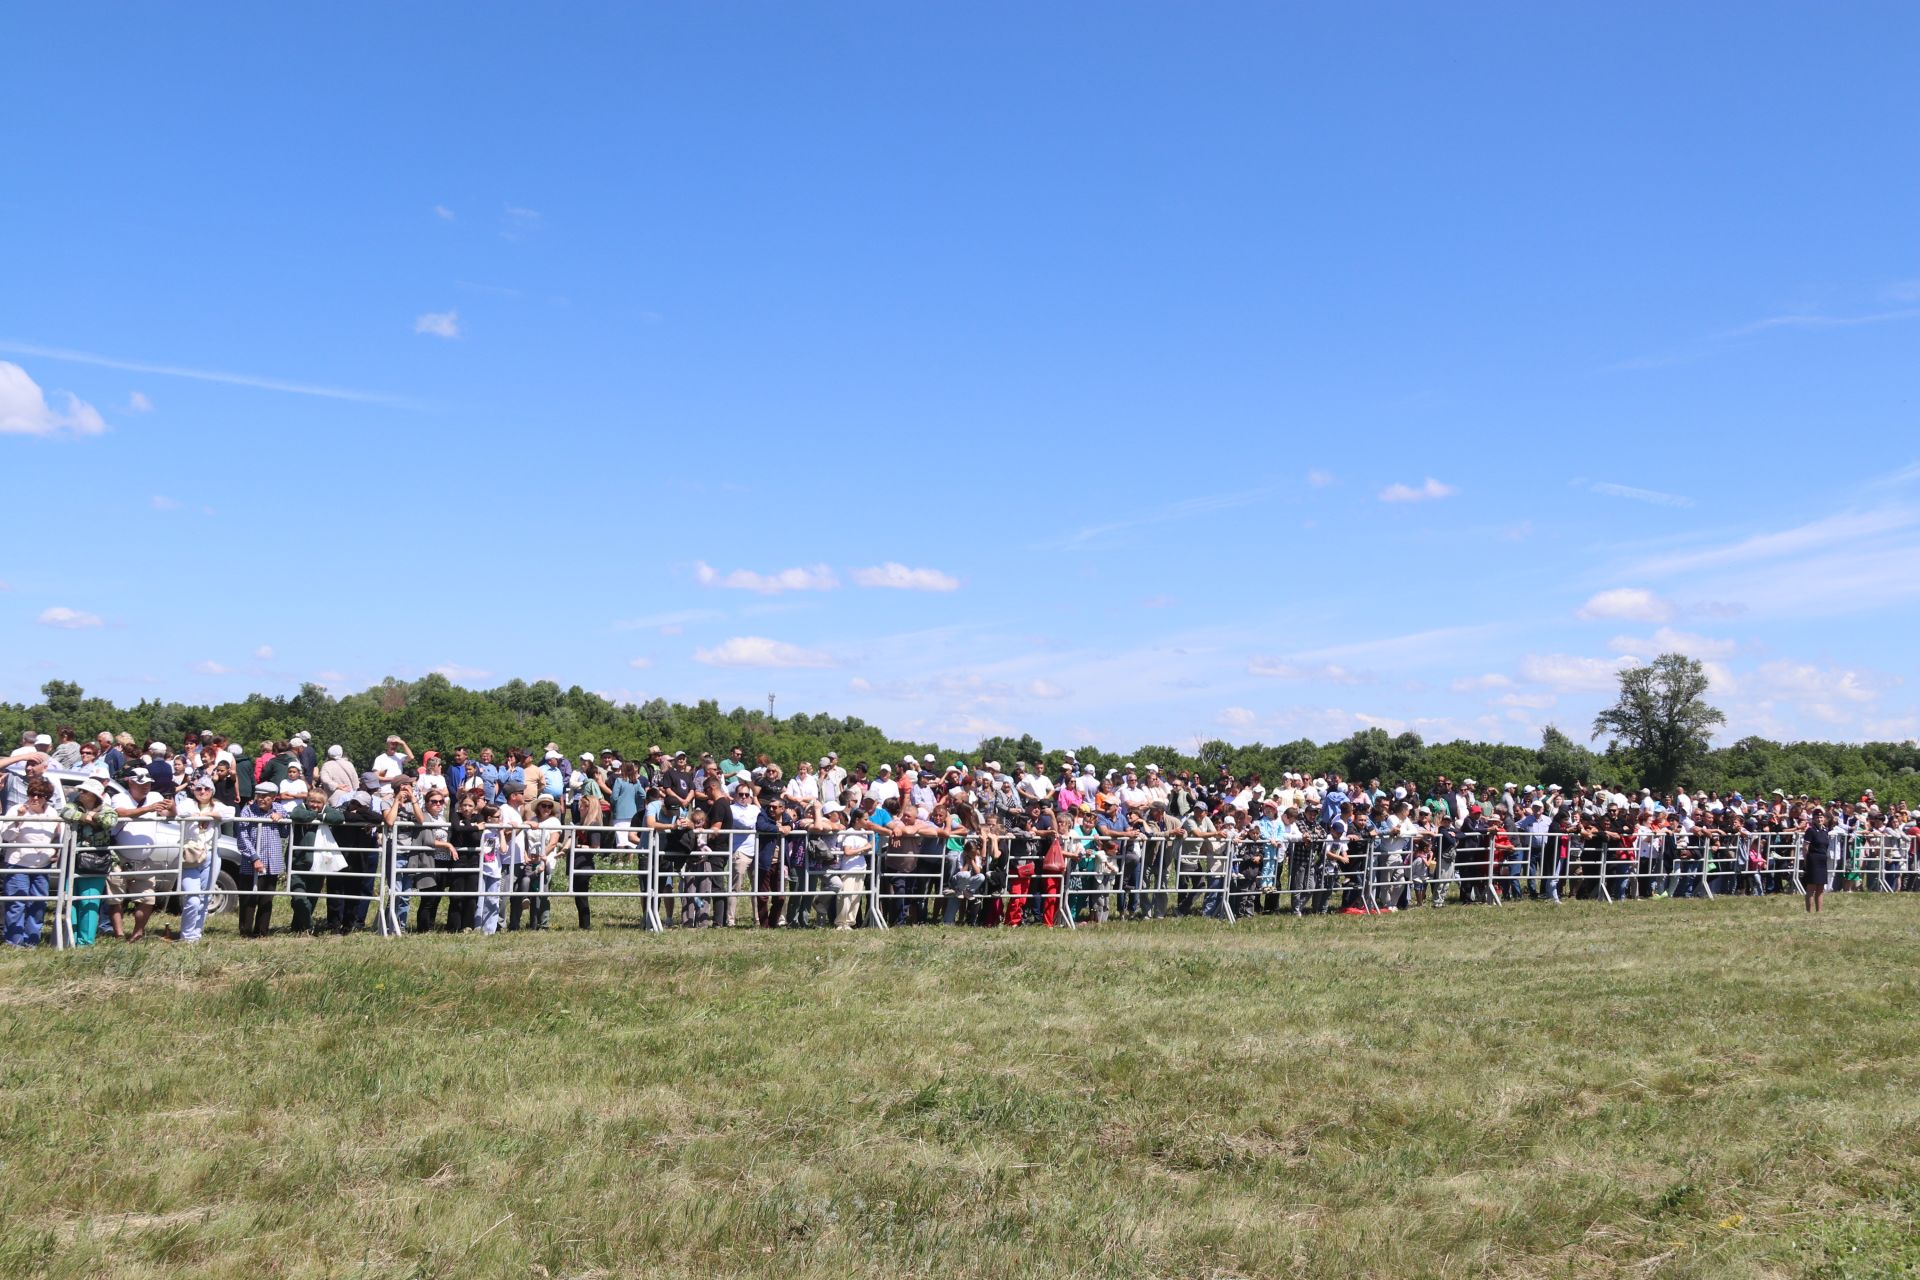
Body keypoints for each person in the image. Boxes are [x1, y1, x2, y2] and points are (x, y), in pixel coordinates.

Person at [174, 774, 233, 943]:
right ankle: (186, 935)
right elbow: (179, 812)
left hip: (211, 855)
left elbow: (231, 813)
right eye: (199, 788)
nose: (202, 791)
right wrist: (199, 813)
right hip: (190, 855)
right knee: (192, 899)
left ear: (212, 791)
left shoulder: (217, 805)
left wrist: (213, 815)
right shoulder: (187, 803)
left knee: (205, 898)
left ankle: (195, 935)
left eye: (207, 788)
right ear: (193, 790)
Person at [2, 776, 61, 947]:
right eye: (32, 794)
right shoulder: (17, 809)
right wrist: (18, 819)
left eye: (40, 795)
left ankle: (32, 941)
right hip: (18, 863)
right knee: (16, 903)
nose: (35, 798)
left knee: (38, 903)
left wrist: (56, 851)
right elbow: (7, 836)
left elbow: (58, 836)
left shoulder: (52, 813)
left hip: (42, 865)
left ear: (46, 797)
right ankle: (15, 942)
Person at [63, 779, 117, 946]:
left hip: (95, 860)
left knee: (89, 902)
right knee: (70, 900)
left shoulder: (107, 809)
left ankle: (85, 942)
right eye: (81, 791)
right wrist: (85, 817)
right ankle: (70, 938)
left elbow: (110, 822)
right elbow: (64, 812)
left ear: (94, 795)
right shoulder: (74, 805)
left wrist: (96, 816)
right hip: (73, 859)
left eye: (85, 792)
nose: (81, 793)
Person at [234, 782, 288, 937]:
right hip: (252, 861)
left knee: (266, 898)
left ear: (273, 797)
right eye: (259, 796)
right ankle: (245, 931)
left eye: (265, 796)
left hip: (272, 861)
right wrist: (254, 858)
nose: (261, 799)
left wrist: (282, 818)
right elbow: (242, 836)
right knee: (248, 897)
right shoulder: (248, 811)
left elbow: (285, 832)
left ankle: (262, 932)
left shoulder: (279, 808)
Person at [1802, 809, 1832, 915]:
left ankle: (1819, 912)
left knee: (1820, 887)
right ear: (1813, 819)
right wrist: (1806, 861)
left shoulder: (1825, 830)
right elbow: (1805, 847)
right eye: (1817, 817)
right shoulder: (1810, 831)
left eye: (1821, 817)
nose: (1819, 819)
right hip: (1813, 859)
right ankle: (1809, 912)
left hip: (1822, 859)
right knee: (1811, 887)